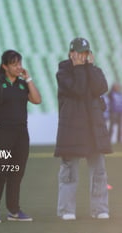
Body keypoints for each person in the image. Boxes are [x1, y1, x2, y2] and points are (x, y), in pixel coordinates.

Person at [55, 37, 111, 221]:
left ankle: (100, 208)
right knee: (69, 171)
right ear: (71, 53)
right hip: (71, 128)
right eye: (79, 52)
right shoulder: (63, 71)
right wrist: (80, 68)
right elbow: (77, 89)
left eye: (85, 53)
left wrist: (88, 68)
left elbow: (100, 88)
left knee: (99, 171)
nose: (82, 56)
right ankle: (66, 210)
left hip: (93, 128)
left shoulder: (93, 71)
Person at [0, 50, 41, 223]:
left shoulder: (23, 84)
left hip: (21, 134)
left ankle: (14, 211)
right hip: (2, 134)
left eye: (19, 63)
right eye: (14, 64)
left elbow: (37, 100)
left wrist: (28, 79)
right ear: (5, 66)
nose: (18, 67)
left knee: (17, 173)